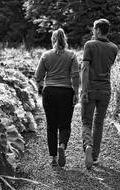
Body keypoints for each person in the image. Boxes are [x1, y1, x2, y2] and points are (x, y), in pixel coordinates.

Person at [35, 28, 79, 167]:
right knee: (65, 124)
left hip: (49, 92)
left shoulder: (46, 55)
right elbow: (75, 75)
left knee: (51, 126)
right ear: (64, 39)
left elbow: (38, 77)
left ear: (53, 40)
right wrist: (76, 93)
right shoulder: (71, 55)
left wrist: (41, 83)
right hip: (66, 92)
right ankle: (62, 145)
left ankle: (53, 158)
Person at [81, 19, 118, 169]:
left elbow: (85, 69)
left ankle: (88, 145)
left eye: (93, 29)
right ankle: (95, 156)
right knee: (99, 123)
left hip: (90, 88)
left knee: (86, 122)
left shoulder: (89, 45)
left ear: (97, 30)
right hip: (105, 90)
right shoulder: (114, 48)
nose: (92, 31)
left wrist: (83, 90)